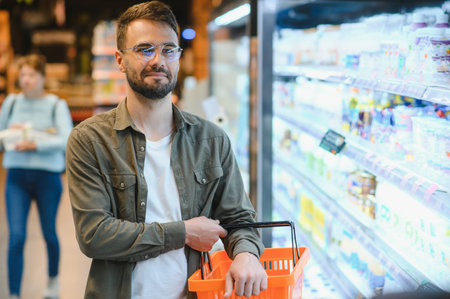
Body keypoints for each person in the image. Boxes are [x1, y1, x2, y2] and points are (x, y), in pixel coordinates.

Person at [65, 1, 268, 299]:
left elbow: (240, 220)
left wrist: (247, 254)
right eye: (145, 49)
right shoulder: (90, 140)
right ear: (120, 60)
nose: (158, 60)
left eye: (168, 49)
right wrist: (184, 232)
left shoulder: (212, 140)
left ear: (178, 57)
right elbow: (94, 235)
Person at [0, 54, 73, 299]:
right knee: (17, 237)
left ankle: (52, 282)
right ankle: (13, 293)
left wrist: (36, 142)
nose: (26, 80)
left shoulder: (55, 104)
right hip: (16, 177)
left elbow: (66, 139)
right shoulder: (11, 102)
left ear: (42, 77)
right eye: (23, 75)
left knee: (49, 233)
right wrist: (11, 133)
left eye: (31, 75)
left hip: (48, 178)